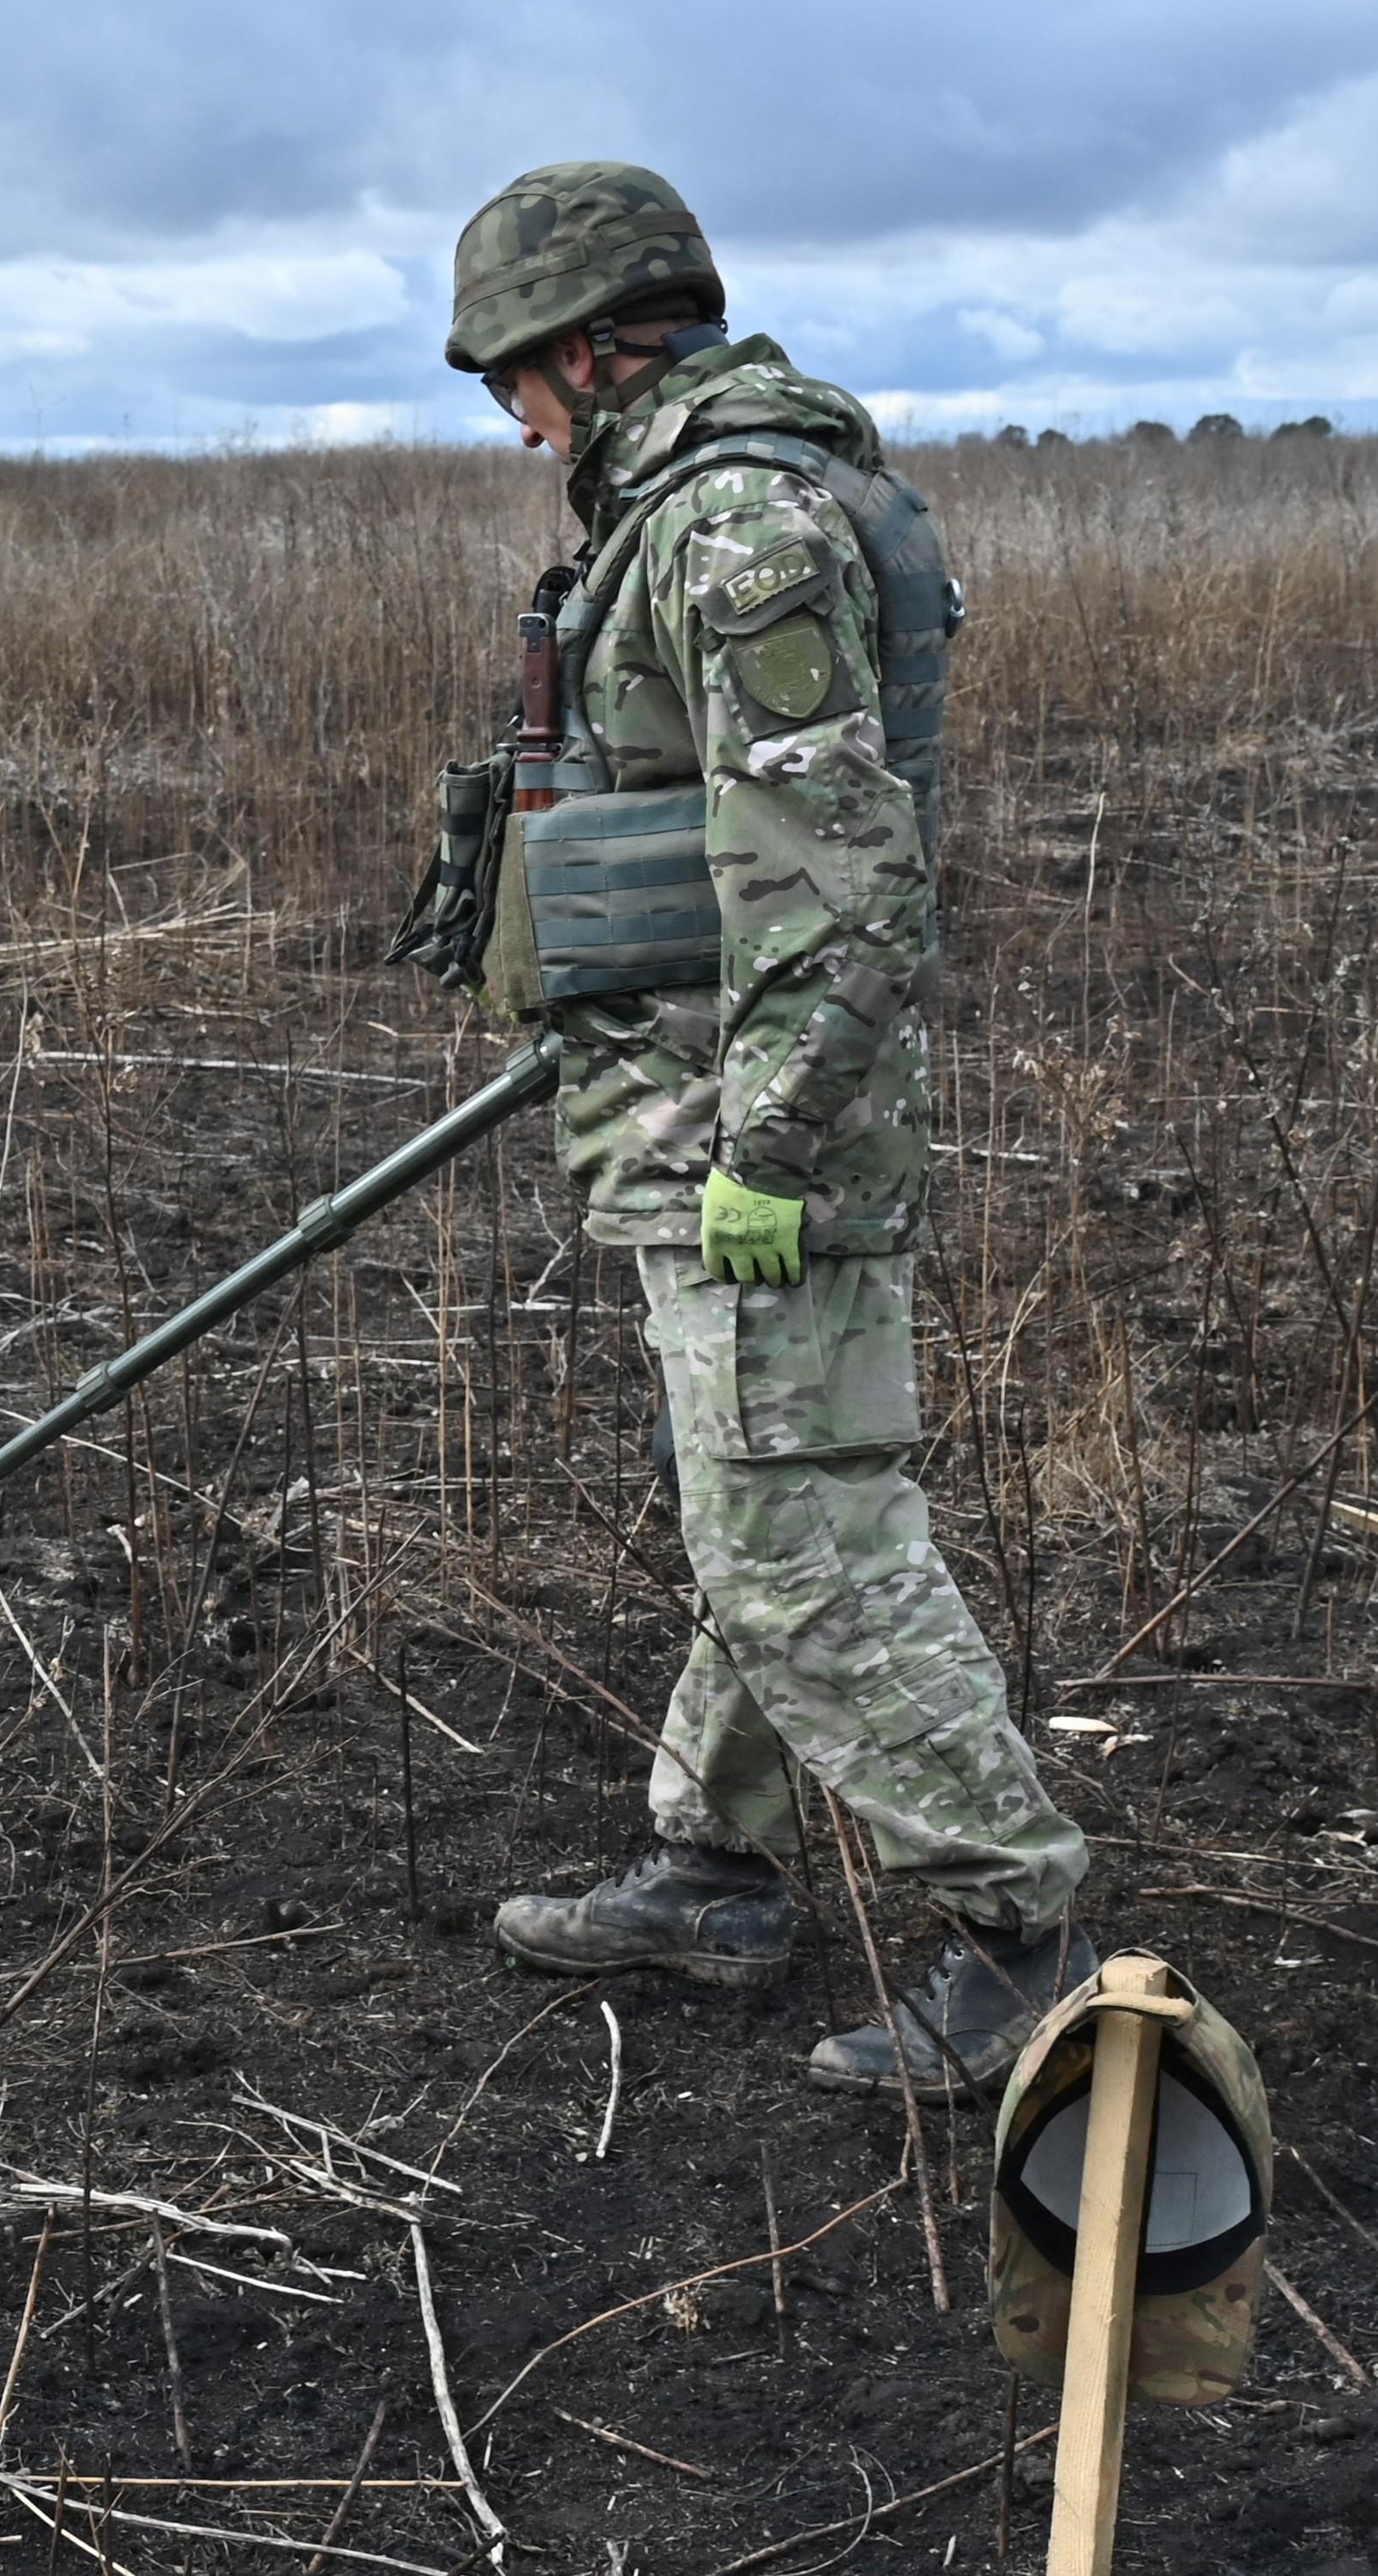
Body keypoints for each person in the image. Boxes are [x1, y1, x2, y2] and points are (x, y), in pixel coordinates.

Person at [433, 160, 1095, 2092]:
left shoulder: (735, 529)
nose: (519, 421)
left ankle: (1019, 1927)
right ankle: (713, 1864)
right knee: (754, 1488)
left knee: (803, 1531)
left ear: (588, 344)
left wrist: (765, 1154)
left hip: (759, 1128)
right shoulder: (693, 508)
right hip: (695, 1101)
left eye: (514, 382)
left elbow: (838, 877)